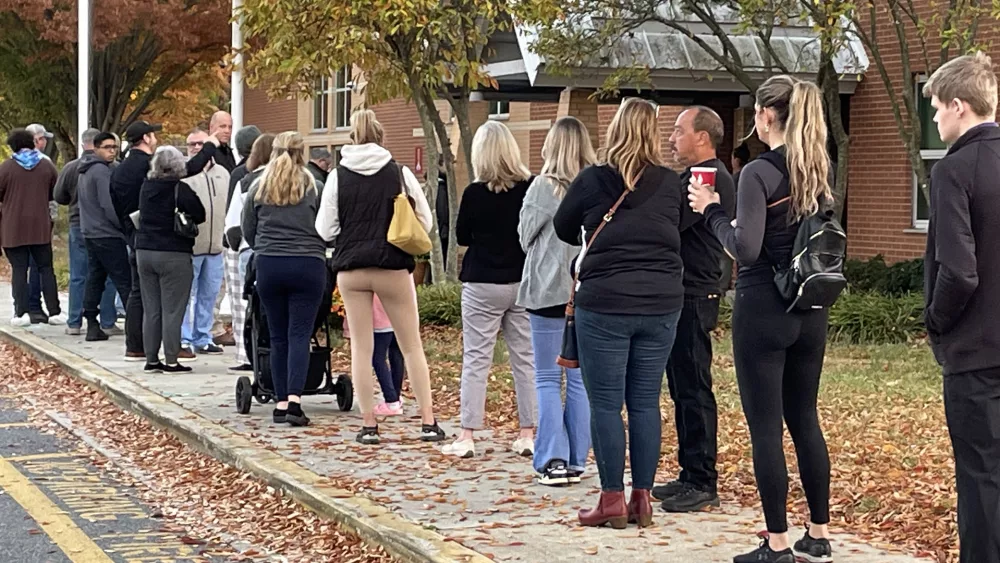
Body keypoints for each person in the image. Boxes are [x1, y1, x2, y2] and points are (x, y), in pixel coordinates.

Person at [688, 75, 834, 563]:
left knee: (765, 427)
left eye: (754, 113)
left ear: (767, 116)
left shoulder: (758, 172)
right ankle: (818, 531)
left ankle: (776, 543)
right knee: (805, 420)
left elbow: (745, 248)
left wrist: (711, 212)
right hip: (810, 308)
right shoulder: (816, 167)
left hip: (763, 308)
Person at [553, 98, 684, 529]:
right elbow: (681, 226)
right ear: (653, 132)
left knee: (606, 403)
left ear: (615, 130)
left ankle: (611, 498)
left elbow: (562, 227)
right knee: (645, 402)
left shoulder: (593, 180)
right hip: (663, 302)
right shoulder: (670, 182)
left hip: (605, 302)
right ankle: (642, 498)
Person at [316, 109, 444, 444]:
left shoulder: (337, 176)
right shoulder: (399, 173)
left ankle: (369, 425)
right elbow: (425, 222)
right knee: (411, 345)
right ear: (381, 136)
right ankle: (428, 422)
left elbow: (324, 228)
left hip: (351, 268)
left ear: (353, 138)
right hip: (391, 265)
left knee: (360, 346)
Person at [921, 52, 1000, 563]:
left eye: (935, 107)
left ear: (958, 105)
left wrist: (934, 320)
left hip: (974, 352)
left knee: (980, 479)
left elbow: (959, 270)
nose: (933, 118)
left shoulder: (953, 171)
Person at [654, 106, 736, 512]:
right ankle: (689, 472)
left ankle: (703, 480)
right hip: (681, 289)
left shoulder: (706, 176)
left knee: (693, 385)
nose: (672, 138)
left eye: (679, 130)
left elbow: (675, 221)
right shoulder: (690, 176)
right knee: (681, 385)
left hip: (694, 290)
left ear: (702, 137)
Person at [442, 121, 537, 459]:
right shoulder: (530, 187)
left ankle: (467, 435)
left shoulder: (474, 193)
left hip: (482, 282)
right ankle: (528, 433)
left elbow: (462, 237)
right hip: (522, 282)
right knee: (526, 359)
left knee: (476, 358)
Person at [516, 116, 595, 485]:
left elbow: (524, 234)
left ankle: (552, 458)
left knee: (548, 377)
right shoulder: (597, 185)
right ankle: (578, 457)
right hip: (585, 288)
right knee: (578, 379)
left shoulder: (542, 187)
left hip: (547, 289)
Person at [112, 120, 218, 361]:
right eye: (152, 135)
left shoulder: (125, 173)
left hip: (140, 242)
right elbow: (197, 206)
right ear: (146, 139)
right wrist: (210, 148)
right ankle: (171, 354)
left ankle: (141, 349)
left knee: (144, 300)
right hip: (171, 248)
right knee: (171, 306)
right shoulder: (169, 183)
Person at [241, 132, 328, 426]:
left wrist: (265, 247)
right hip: (307, 264)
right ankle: (294, 400)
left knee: (276, 336)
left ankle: (279, 402)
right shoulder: (314, 187)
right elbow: (326, 227)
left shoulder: (258, 186)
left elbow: (248, 229)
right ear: (302, 153)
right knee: (300, 335)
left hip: (270, 264)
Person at [135, 146, 206, 373]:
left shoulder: (146, 187)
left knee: (151, 308)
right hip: (174, 253)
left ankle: (151, 359)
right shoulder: (180, 189)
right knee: (173, 310)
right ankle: (172, 360)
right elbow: (200, 214)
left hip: (144, 251)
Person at [54, 128, 120, 337]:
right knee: (108, 275)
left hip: (77, 224)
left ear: (83, 144)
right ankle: (107, 321)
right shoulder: (111, 168)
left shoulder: (72, 168)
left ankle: (74, 321)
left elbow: (59, 195)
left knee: (78, 275)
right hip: (104, 228)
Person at [0, 128, 65, 326]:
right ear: (32, 142)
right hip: (40, 226)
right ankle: (54, 311)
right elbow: (56, 192)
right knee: (46, 268)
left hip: (13, 227)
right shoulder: (46, 166)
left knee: (19, 270)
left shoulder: (6, 168)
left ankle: (22, 313)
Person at [225, 133, 275, 372]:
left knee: (252, 306)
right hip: (296, 253)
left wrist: (245, 244)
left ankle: (251, 356)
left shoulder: (246, 182)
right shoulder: (305, 181)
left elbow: (234, 224)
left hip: (254, 252)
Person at [77, 132, 133, 342]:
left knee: (95, 278)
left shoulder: (84, 169)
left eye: (114, 147)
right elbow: (107, 204)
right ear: (96, 148)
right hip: (107, 233)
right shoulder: (100, 171)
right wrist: (124, 227)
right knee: (124, 280)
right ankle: (137, 328)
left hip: (90, 231)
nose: (112, 151)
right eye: (107, 147)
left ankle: (92, 322)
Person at [179, 129, 230, 359]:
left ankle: (203, 336)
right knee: (187, 294)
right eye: (192, 144)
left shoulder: (224, 174)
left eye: (201, 143)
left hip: (216, 245)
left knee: (209, 295)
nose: (197, 148)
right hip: (192, 245)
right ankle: (184, 337)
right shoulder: (185, 173)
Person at [342, 293, 408, 416]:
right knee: (396, 355)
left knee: (378, 358)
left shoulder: (366, 276)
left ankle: (391, 400)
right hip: (398, 318)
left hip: (379, 320)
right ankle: (396, 396)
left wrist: (349, 328)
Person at [25, 123, 55, 322]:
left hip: (18, 222)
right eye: (43, 138)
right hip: (40, 220)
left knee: (21, 266)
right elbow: (53, 194)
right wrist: (53, 219)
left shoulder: (11, 163)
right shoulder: (45, 163)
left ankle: (23, 305)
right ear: (36, 140)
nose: (45, 142)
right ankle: (37, 305)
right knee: (39, 265)